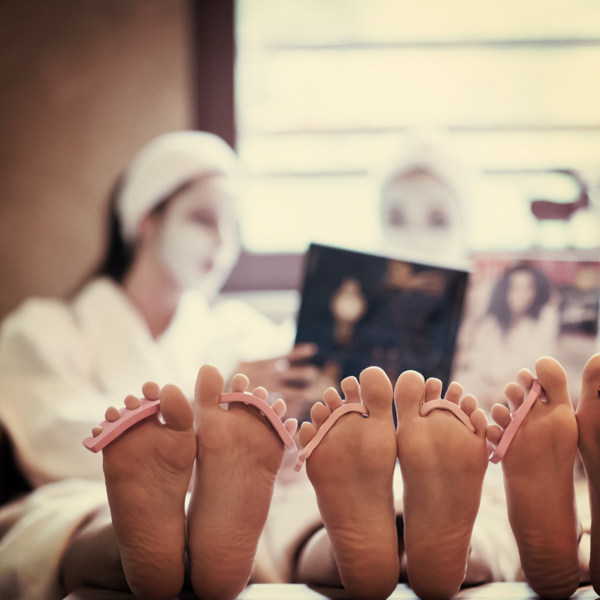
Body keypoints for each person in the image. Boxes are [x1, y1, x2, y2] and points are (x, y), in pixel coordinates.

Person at [0, 131, 319, 598]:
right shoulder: (45, 329)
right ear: (146, 220)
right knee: (76, 513)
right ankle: (149, 543)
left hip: (239, 516)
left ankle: (363, 546)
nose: (222, 242)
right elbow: (52, 437)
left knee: (292, 508)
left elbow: (293, 442)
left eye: (233, 226)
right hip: (86, 497)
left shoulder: (236, 333)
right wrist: (200, 418)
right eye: (204, 218)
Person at [459, 264, 559, 414]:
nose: (520, 294)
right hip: (481, 395)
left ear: (536, 292)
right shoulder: (491, 324)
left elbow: (539, 367)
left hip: (516, 401)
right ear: (504, 290)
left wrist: (503, 392)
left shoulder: (542, 322)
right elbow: (475, 363)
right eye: (514, 287)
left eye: (527, 288)